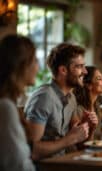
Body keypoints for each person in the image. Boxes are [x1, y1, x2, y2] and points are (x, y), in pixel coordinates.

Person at [25, 43, 98, 160]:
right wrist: (69, 139)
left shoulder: (71, 98)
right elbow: (31, 150)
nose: (85, 71)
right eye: (79, 66)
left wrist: (89, 127)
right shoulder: (44, 97)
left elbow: (80, 146)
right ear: (63, 70)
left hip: (62, 163)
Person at [0, 34, 38, 171]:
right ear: (22, 65)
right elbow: (17, 165)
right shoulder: (5, 107)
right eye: (34, 60)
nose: (37, 67)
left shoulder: (9, 103)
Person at [73, 66, 102, 140]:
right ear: (89, 85)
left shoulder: (97, 107)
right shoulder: (79, 110)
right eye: (99, 78)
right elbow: (80, 143)